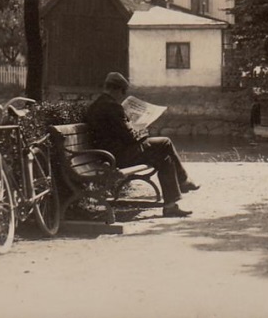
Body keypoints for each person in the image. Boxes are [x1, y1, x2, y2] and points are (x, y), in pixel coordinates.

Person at [85, 72, 199, 217]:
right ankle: (183, 182)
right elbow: (130, 137)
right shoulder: (112, 107)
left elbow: (120, 133)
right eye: (123, 92)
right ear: (118, 90)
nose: (123, 96)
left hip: (107, 155)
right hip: (116, 156)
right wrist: (142, 131)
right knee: (165, 142)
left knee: (164, 158)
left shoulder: (96, 105)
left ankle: (171, 205)